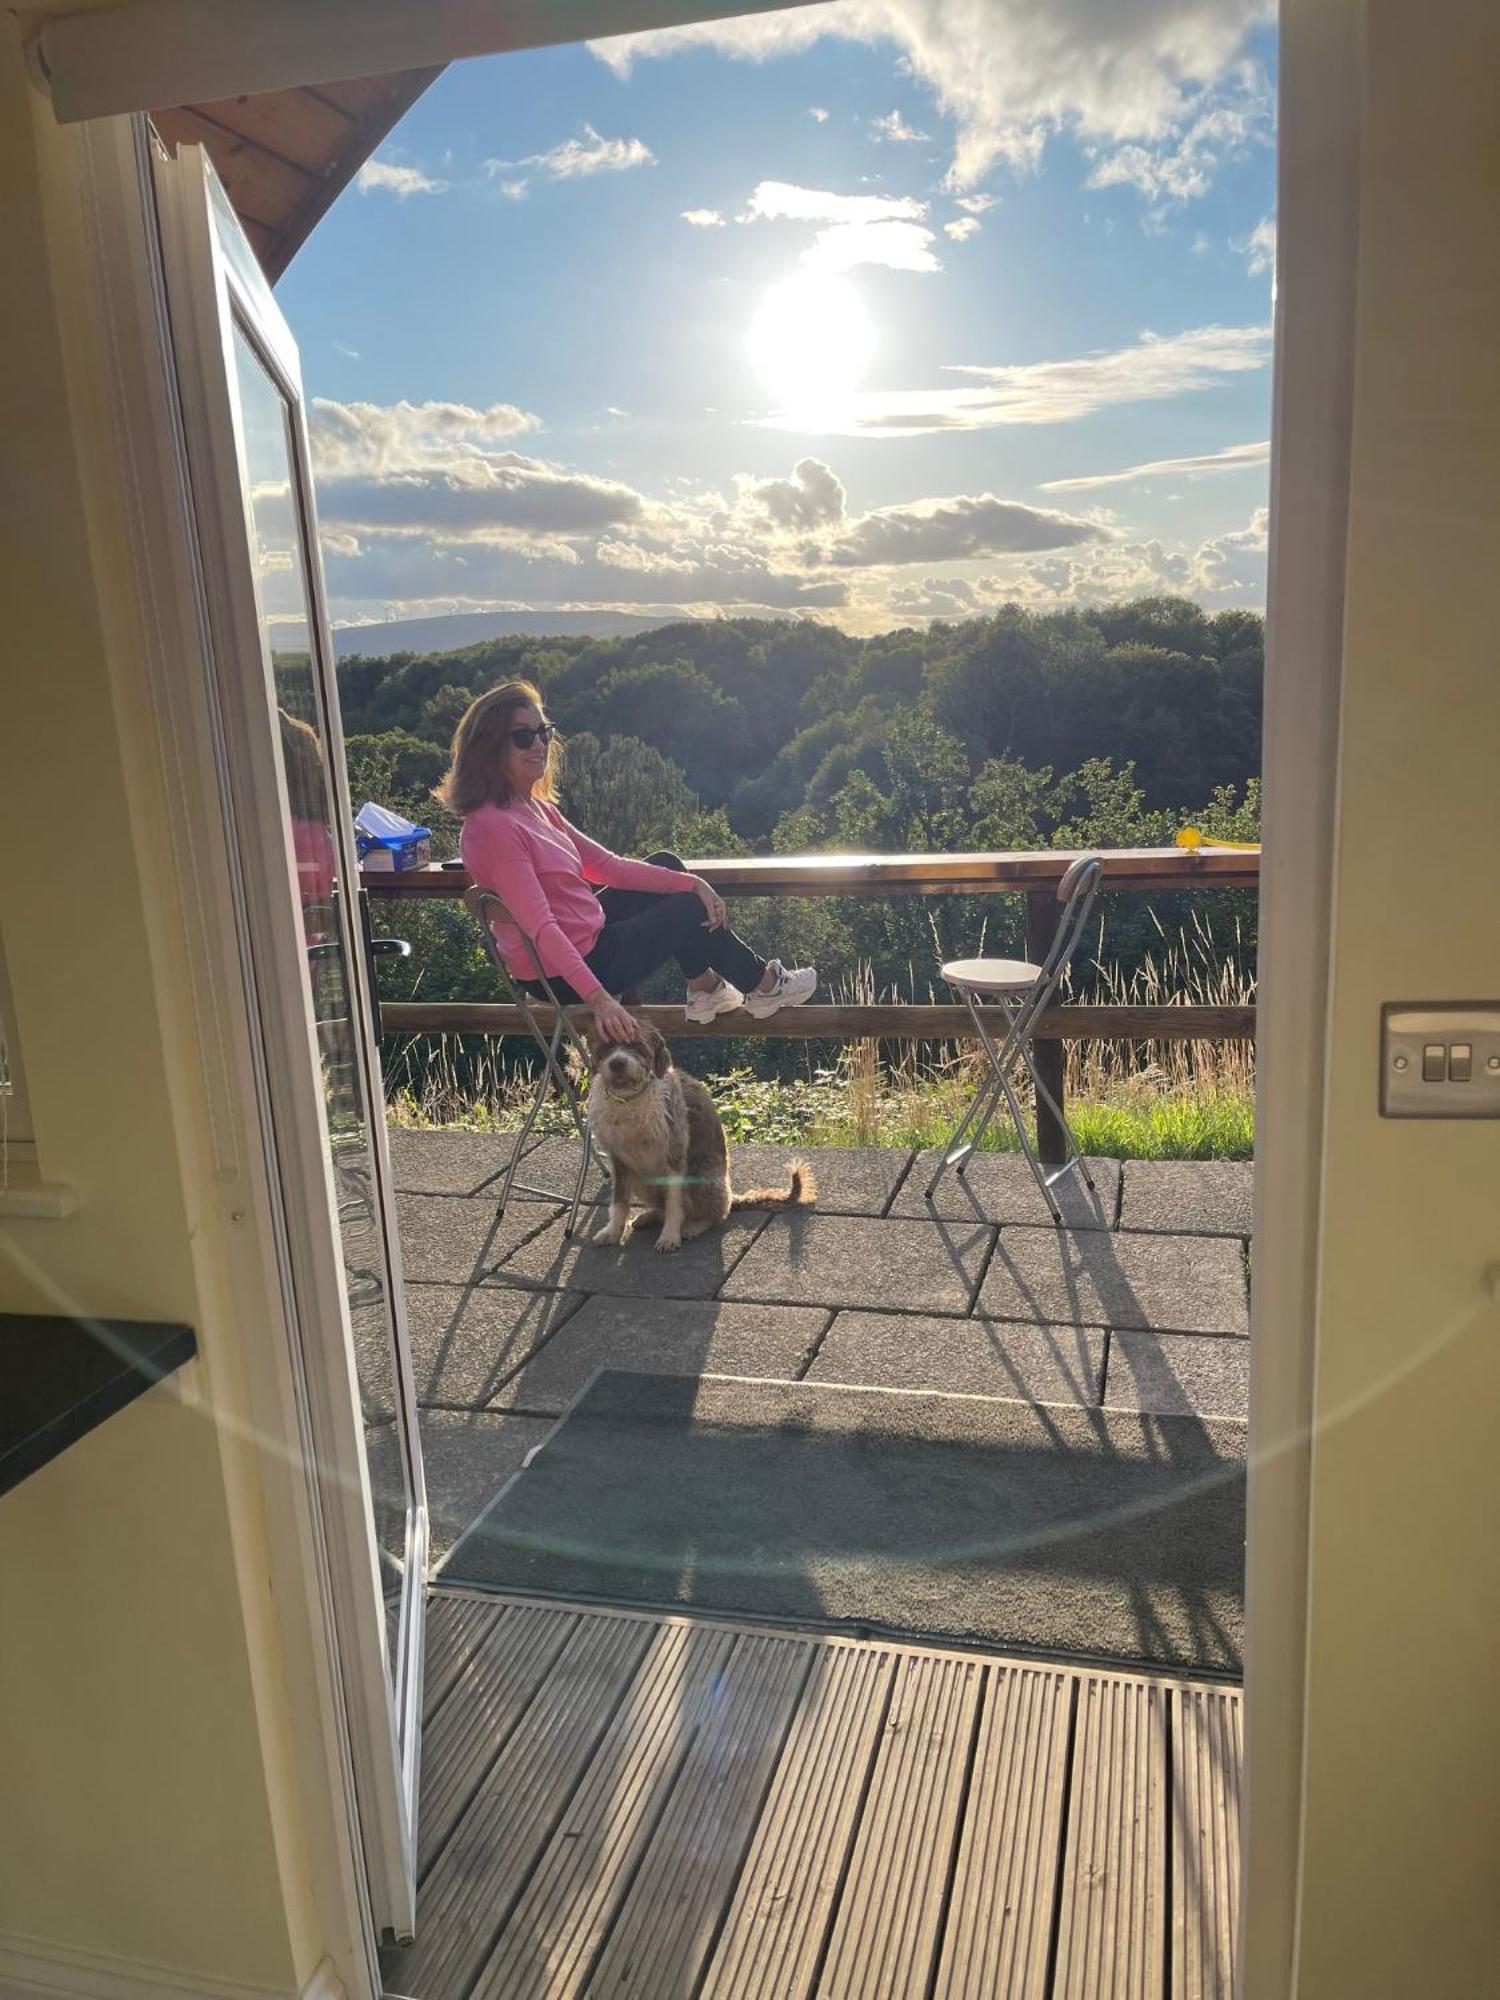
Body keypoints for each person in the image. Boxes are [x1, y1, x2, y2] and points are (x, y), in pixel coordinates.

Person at [434, 681, 816, 1046]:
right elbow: (542, 928)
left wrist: (695, 882)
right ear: (488, 748)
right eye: (523, 737)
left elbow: (609, 867)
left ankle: (706, 990)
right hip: (564, 968)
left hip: (585, 936)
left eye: (544, 732)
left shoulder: (533, 808)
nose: (539, 745)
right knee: (686, 908)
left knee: (670, 868)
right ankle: (762, 987)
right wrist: (599, 999)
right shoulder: (494, 827)